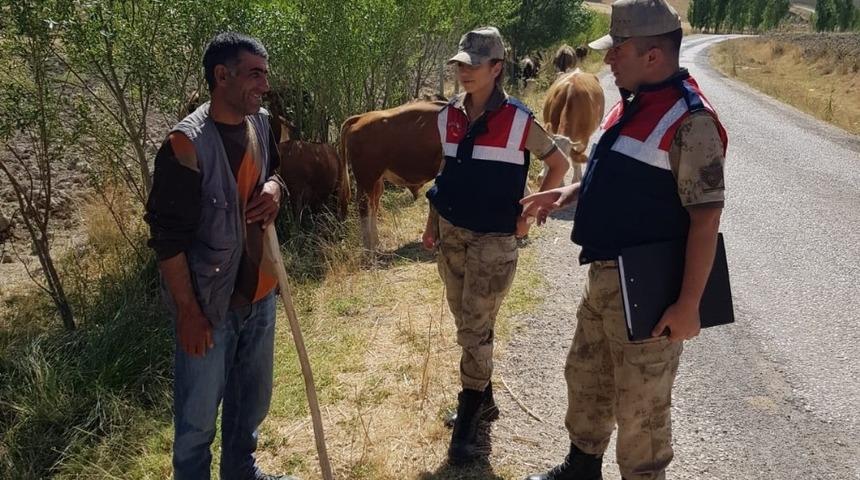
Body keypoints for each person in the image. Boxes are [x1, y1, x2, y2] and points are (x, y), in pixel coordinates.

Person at [520, 1, 728, 479]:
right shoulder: (633, 103)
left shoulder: (690, 122)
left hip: (649, 292)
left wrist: (690, 304)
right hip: (605, 276)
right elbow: (613, 174)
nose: (608, 61)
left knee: (642, 409)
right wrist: (568, 192)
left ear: (653, 56)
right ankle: (581, 467)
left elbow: (705, 219)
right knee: (587, 376)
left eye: (618, 51)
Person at [144, 32, 297, 480]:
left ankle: (240, 472)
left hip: (260, 294)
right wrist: (188, 312)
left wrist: (275, 189)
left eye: (264, 75)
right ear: (221, 75)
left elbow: (274, 173)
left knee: (251, 402)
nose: (263, 85)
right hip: (209, 307)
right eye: (254, 74)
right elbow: (167, 239)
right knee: (195, 422)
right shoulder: (185, 145)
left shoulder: (262, 124)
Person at [421, 26, 570, 465]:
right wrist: (432, 223)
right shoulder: (447, 114)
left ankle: (468, 424)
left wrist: (529, 213)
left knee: (475, 327)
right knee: (466, 322)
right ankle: (483, 401)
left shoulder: (519, 120)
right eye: (459, 64)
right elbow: (444, 174)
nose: (463, 72)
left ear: (497, 68)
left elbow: (558, 163)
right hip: (452, 233)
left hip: (494, 239)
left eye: (473, 64)